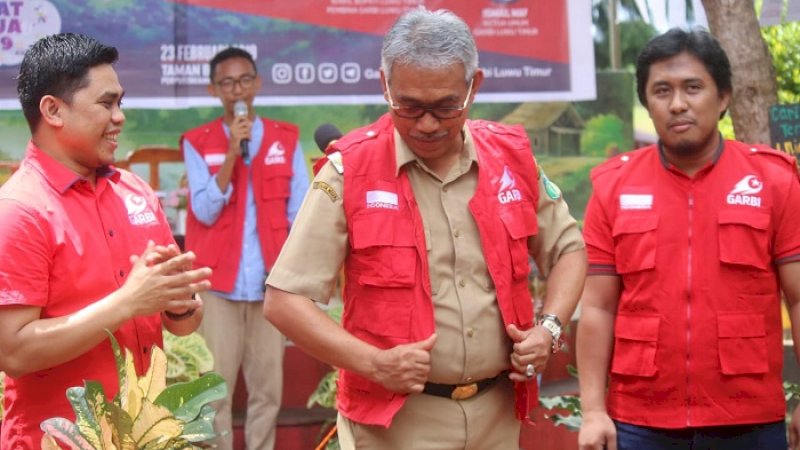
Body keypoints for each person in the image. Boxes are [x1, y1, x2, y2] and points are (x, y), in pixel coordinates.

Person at [264, 8, 586, 449]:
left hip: (497, 416)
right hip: (396, 425)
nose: (428, 124)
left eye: (445, 106)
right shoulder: (350, 170)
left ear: (474, 86)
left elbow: (568, 249)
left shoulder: (511, 159)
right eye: (409, 106)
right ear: (384, 85)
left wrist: (548, 329)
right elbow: (284, 301)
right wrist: (375, 363)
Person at [577, 28, 800, 450]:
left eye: (693, 87)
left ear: (723, 98)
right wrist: (592, 411)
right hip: (641, 421)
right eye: (662, 90)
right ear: (647, 102)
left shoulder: (773, 181)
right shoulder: (613, 187)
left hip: (748, 418)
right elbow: (598, 307)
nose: (678, 103)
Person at [0, 33, 212, 449]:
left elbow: (183, 325)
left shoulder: (135, 192)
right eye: (106, 103)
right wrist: (129, 302)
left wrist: (180, 303)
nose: (119, 117)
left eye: (121, 103)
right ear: (53, 110)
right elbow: (14, 352)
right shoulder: (18, 210)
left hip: (145, 435)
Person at [181, 47, 309, 450]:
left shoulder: (285, 139)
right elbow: (203, 209)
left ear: (257, 83)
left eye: (244, 79)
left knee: (267, 391)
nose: (237, 88)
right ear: (213, 89)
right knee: (214, 392)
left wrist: (293, 280)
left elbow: (301, 212)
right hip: (217, 285)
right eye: (227, 82)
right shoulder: (197, 142)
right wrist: (232, 156)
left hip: (270, 286)